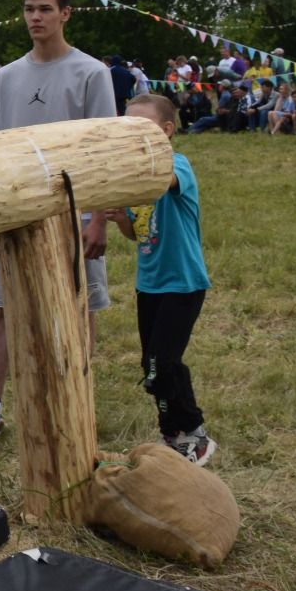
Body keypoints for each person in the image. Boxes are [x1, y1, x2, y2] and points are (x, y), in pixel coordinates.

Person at [0, 0, 114, 447]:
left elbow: (104, 152)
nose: (35, 18)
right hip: (17, 215)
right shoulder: (7, 77)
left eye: (44, 9)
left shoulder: (91, 74)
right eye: (29, 10)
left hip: (73, 217)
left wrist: (98, 218)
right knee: (1, 309)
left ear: (65, 13)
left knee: (78, 311)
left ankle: (74, 404)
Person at [105, 94, 216, 467]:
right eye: (127, 127)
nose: (132, 135)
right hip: (149, 284)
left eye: (142, 128)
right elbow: (138, 234)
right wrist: (119, 217)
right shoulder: (133, 183)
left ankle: (194, 434)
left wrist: (122, 173)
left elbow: (164, 180)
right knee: (152, 366)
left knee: (161, 363)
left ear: (166, 131)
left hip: (183, 284)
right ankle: (173, 434)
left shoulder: (177, 165)